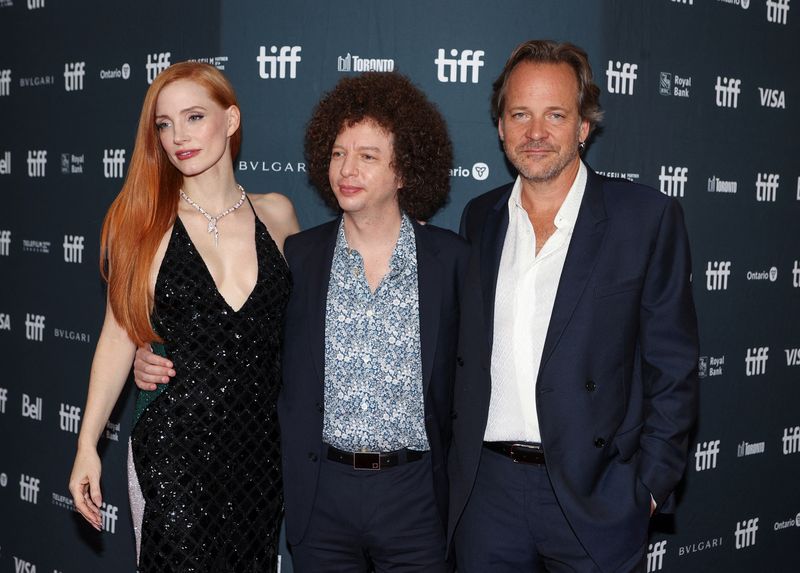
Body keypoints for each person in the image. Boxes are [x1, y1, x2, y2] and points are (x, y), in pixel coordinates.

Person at [134, 71, 468, 572]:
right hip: (323, 496)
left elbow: (473, 384)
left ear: (404, 172)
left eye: (367, 156)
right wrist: (153, 351)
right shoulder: (303, 255)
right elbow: (243, 331)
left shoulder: (449, 260)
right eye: (337, 154)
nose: (346, 169)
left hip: (415, 496)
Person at [447, 40, 699, 573]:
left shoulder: (644, 219)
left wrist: (649, 486)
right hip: (487, 495)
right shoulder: (480, 218)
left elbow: (672, 367)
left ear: (583, 126)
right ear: (500, 125)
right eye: (520, 114)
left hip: (596, 494)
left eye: (555, 115)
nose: (535, 133)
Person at [68, 61, 299, 572]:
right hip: (175, 452)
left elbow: (296, 333)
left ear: (231, 120)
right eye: (164, 124)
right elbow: (116, 337)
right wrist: (87, 446)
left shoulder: (277, 215)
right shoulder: (145, 223)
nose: (178, 137)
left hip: (260, 455)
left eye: (194, 117)